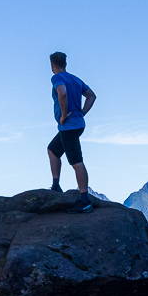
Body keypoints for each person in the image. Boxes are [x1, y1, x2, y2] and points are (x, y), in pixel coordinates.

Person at [47, 51, 95, 198]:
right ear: (65, 64)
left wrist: (63, 114)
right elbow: (91, 96)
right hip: (76, 124)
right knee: (53, 150)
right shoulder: (75, 79)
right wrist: (81, 113)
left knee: (76, 162)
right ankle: (55, 185)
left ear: (52, 64)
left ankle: (84, 200)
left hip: (69, 126)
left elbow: (62, 93)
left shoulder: (57, 78)